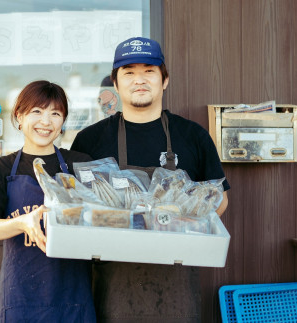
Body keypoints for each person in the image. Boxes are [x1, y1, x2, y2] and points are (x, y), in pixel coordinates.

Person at [71, 37, 230, 322]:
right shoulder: (89, 140)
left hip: (177, 280)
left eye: (149, 70)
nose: (139, 79)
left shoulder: (193, 135)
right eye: (129, 72)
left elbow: (219, 200)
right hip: (112, 282)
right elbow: (76, 206)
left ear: (164, 79)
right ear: (116, 84)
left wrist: (177, 222)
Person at [0, 80, 96, 323]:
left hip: (73, 299)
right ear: (19, 116)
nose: (46, 122)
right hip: (21, 300)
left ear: (63, 121)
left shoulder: (81, 164)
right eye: (37, 111)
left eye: (55, 113)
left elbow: (99, 219)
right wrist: (24, 222)